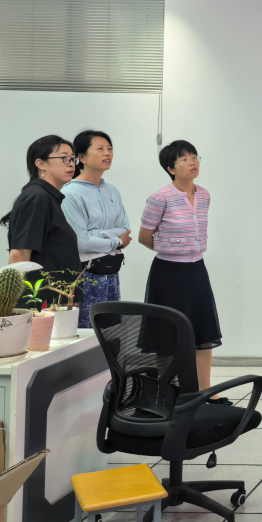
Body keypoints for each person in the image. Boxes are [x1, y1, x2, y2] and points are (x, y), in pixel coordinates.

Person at [139, 140, 227, 403]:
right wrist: (172, 248)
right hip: (168, 273)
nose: (193, 162)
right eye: (185, 159)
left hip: (197, 269)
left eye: (195, 157)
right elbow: (144, 237)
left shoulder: (204, 195)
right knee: (167, 333)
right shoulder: (160, 197)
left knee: (203, 331)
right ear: (171, 168)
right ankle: (168, 392)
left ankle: (205, 391)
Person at [2, 136, 84, 308]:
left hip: (57, 301)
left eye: (72, 159)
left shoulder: (48, 197)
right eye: (64, 158)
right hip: (40, 304)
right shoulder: (37, 197)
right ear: (41, 164)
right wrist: (11, 308)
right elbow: (19, 255)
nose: (71, 164)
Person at [62, 130, 132, 329]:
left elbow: (125, 228)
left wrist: (96, 235)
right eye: (100, 148)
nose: (107, 153)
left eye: (109, 148)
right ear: (81, 157)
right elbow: (82, 242)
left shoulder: (112, 190)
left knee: (111, 332)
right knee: (86, 332)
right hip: (86, 275)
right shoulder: (70, 192)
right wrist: (117, 241)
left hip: (112, 272)